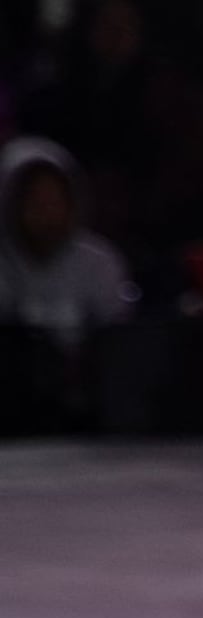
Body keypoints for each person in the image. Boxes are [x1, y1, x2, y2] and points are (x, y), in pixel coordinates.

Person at [0, 137, 140, 430]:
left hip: (90, 398)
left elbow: (118, 333)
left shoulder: (100, 260)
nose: (45, 213)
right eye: (34, 202)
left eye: (54, 201)